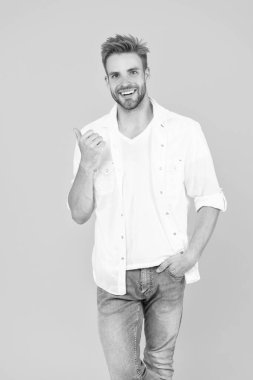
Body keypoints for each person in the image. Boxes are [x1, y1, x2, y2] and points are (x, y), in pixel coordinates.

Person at [67, 34, 227, 380]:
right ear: (106, 80)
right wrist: (87, 165)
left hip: (167, 273)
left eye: (132, 72)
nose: (125, 83)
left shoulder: (184, 130)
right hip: (114, 278)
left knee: (160, 368)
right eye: (115, 75)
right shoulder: (93, 137)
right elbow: (79, 213)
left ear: (146, 73)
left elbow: (210, 198)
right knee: (124, 373)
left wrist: (191, 256)